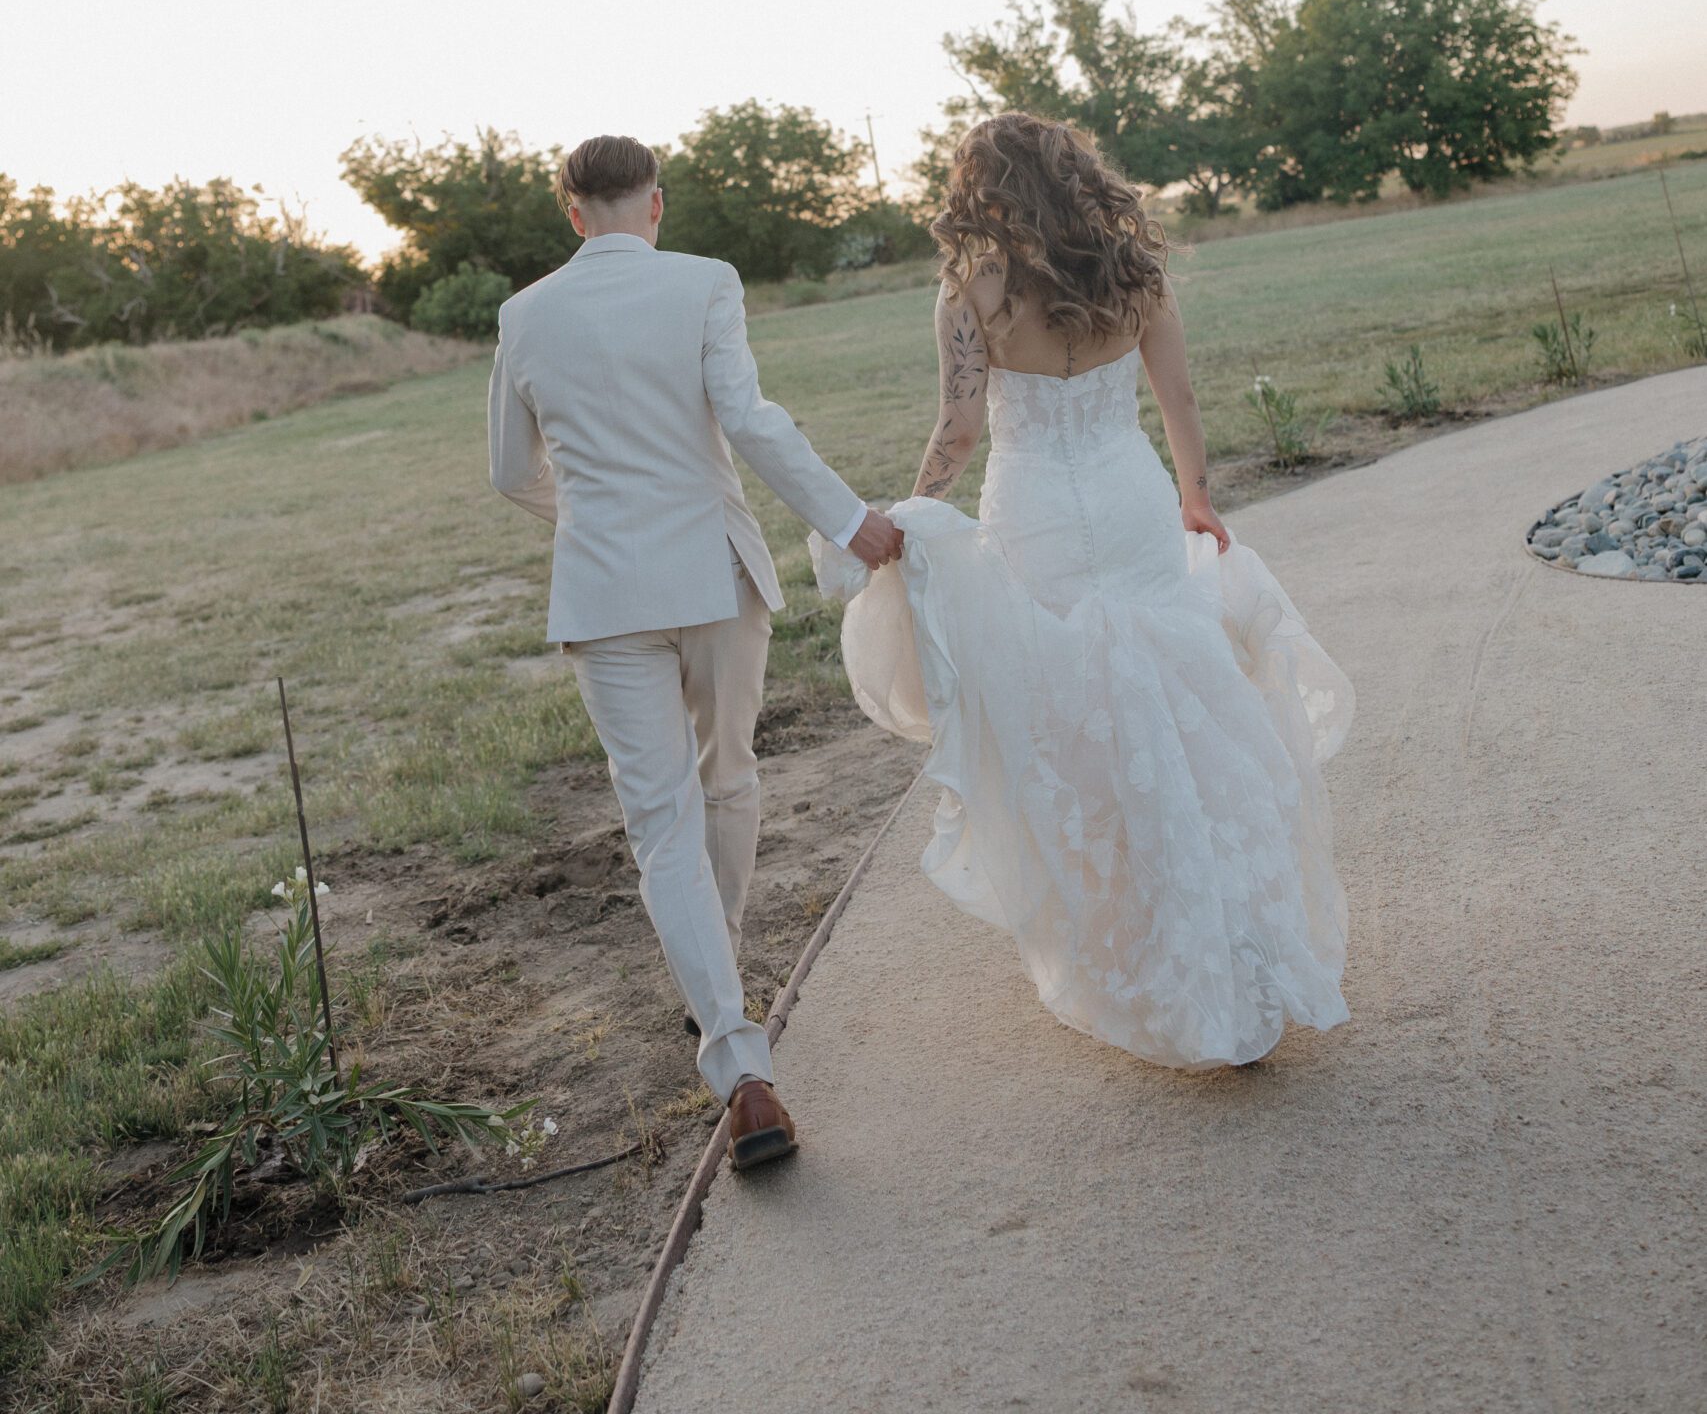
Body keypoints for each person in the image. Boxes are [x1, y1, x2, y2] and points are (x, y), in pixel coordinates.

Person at [818, 111, 1354, 1070]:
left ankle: (1136, 942)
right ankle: (1241, 941)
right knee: (1183, 699)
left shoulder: (969, 292)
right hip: (1128, 497)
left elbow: (960, 427)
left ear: (980, 190)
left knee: (1076, 719)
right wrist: (1195, 493)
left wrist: (910, 509)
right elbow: (1177, 399)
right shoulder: (1133, 271)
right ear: (1076, 175)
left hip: (1035, 518)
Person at [489, 133, 902, 1167]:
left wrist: (587, 520)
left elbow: (507, 471)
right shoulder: (707, 283)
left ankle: (731, 1045)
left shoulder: (523, 314)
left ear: (571, 211)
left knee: (661, 825)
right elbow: (750, 421)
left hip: (602, 590)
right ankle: (727, 1016)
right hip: (714, 577)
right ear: (656, 203)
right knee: (727, 779)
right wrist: (852, 521)